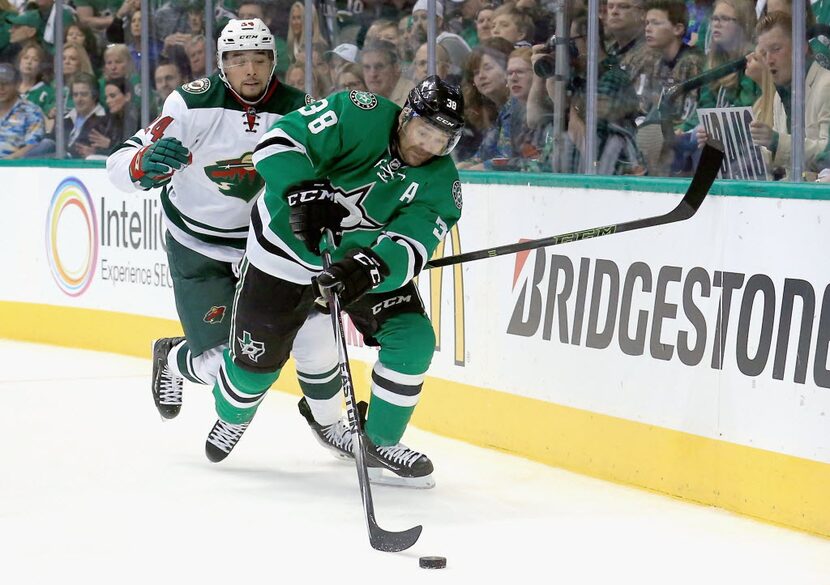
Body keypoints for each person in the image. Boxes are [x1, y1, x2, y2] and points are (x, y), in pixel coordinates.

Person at [203, 75, 465, 488]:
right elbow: (276, 143)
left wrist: (370, 268)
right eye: (424, 131)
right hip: (283, 254)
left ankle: (378, 443)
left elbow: (413, 244)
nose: (427, 147)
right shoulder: (358, 113)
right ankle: (232, 414)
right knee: (253, 371)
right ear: (405, 117)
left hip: (353, 266)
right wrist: (302, 191)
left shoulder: (441, 183)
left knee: (412, 338)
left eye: (440, 141)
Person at [106, 19, 339, 438]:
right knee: (223, 365)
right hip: (198, 247)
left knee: (314, 332)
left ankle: (330, 421)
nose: (249, 70)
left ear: (273, 61)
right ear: (221, 63)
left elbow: (324, 171)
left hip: (263, 247)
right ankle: (175, 357)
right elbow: (120, 162)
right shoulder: (190, 104)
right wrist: (141, 164)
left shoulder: (299, 107)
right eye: (237, 61)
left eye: (258, 59)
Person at [749, 11, 830, 173]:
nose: (769, 60)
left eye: (776, 49)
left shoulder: (827, 86)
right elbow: (785, 165)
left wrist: (776, 142)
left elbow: (826, 156)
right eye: (764, 53)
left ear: (802, 47)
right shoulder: (780, 97)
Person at [0, 62, 45, 159]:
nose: (1, 88)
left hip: (15, 168)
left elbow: (32, 146)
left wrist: (6, 162)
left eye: (6, 83)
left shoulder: (31, 111)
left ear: (17, 84)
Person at [360, 40, 414, 106]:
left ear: (396, 67)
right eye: (367, 67)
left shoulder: (412, 97)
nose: (373, 74)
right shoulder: (366, 97)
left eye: (379, 66)